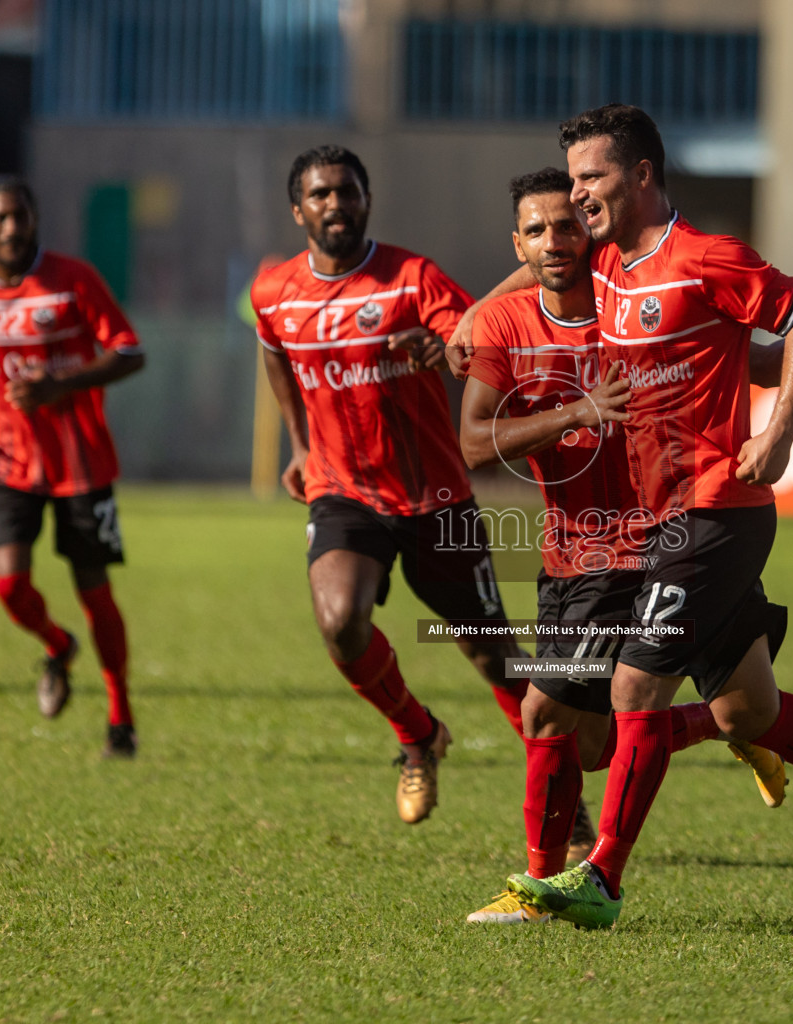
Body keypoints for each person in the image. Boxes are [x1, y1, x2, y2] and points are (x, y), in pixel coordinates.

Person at [459, 105, 793, 929]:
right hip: (658, 520)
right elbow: (557, 271)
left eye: (591, 179)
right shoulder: (612, 262)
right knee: (744, 712)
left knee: (633, 687)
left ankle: (600, 879)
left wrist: (779, 433)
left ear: (642, 174)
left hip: (718, 508)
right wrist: (478, 314)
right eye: (572, 182)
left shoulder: (706, 257)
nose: (577, 199)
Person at [458, 168, 791, 924]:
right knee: (620, 738)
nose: (554, 241)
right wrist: (568, 403)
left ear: (594, 229)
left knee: (544, 713)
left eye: (568, 224)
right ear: (518, 243)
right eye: (536, 231)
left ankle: (538, 890)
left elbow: (745, 357)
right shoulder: (508, 325)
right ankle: (736, 733)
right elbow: (474, 444)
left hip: (650, 542)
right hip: (566, 555)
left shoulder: (630, 296)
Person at [251, 145, 533, 824]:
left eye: (347, 191)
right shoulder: (274, 293)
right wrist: (298, 445)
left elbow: (478, 344)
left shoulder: (412, 278)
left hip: (438, 499)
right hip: (345, 491)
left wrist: (445, 353)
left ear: (366, 199)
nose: (335, 204)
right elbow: (274, 356)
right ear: (298, 210)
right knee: (340, 621)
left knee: (494, 655)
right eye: (320, 195)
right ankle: (417, 735)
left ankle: (562, 797)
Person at [0, 175, 144, 758]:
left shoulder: (73, 279)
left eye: (20, 215)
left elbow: (129, 352)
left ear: (35, 218)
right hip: (3, 459)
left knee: (96, 592)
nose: (11, 227)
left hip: (80, 461)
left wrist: (61, 385)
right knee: (8, 584)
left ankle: (120, 718)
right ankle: (56, 645)